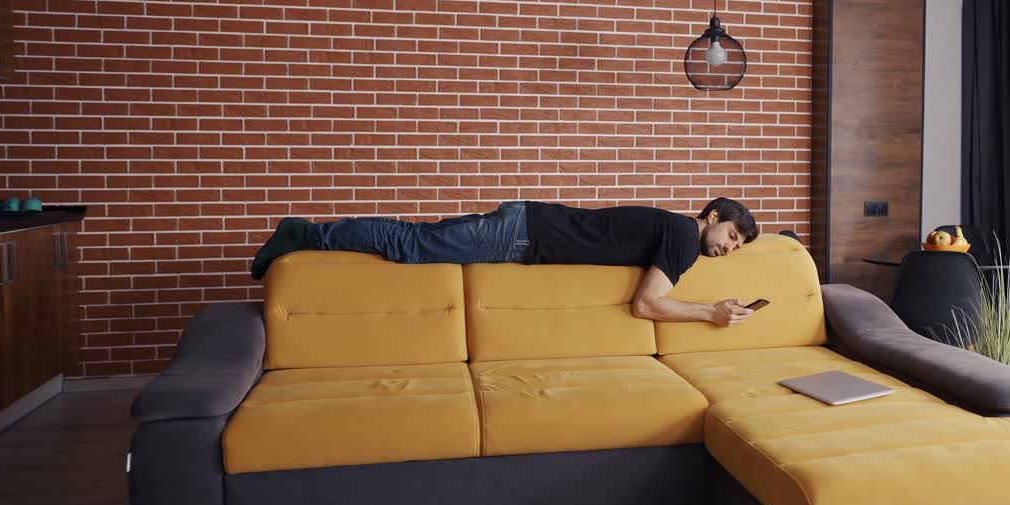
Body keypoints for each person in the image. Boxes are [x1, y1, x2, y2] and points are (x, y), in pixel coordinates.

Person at [251, 197, 760, 327]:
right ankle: (306, 234)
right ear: (710, 216)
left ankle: (309, 233)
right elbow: (646, 306)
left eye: (736, 247)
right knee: (410, 244)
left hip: (525, 231)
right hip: (522, 237)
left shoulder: (673, 237)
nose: (727, 248)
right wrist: (711, 312)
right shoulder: (680, 233)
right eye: (731, 235)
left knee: (416, 241)